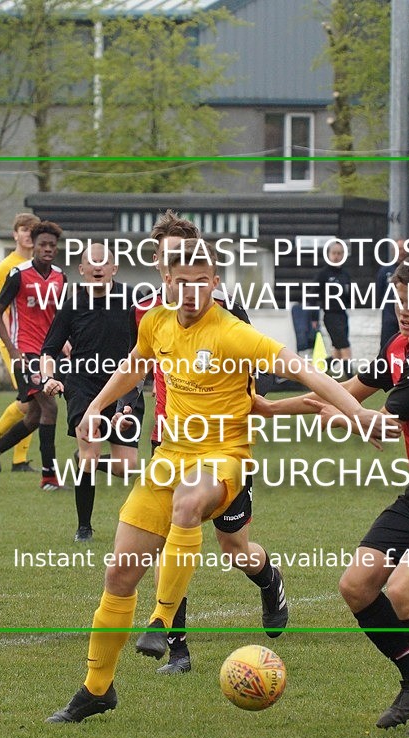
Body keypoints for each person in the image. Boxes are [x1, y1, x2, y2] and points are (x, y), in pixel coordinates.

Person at [46, 239, 398, 723]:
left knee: (190, 505)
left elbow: (306, 372)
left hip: (224, 458)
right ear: (167, 283)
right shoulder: (155, 321)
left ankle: (162, 619)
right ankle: (96, 689)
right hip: (169, 457)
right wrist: (95, 406)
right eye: (181, 282)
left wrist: (358, 412)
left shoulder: (233, 333)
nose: (191, 292)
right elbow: (135, 365)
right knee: (119, 574)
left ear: (215, 283)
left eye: (201, 282)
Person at [255, 254, 409, 736]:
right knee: (356, 585)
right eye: (400, 299)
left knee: (404, 589)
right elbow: (342, 393)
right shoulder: (400, 346)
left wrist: (347, 419)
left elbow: (385, 425)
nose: (405, 310)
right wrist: (268, 408)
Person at [118, 210, 287, 676]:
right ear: (159, 263)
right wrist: (124, 405)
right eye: (166, 256)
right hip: (168, 440)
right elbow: (136, 364)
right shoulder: (147, 310)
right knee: (168, 537)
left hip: (221, 448)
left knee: (234, 548)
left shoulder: (224, 310)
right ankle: (176, 647)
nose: (173, 264)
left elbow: (255, 371)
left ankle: (268, 579)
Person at [40, 243, 144, 542]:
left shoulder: (133, 301)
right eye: (91, 262)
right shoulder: (72, 304)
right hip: (83, 386)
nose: (98, 267)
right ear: (82, 269)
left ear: (114, 268)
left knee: (126, 466)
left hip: (123, 385)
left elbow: (148, 347)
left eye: (104, 262)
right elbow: (49, 350)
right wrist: (48, 377)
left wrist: (134, 394)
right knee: (90, 453)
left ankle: (87, 458)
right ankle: (84, 528)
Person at [0, 221, 67, 490]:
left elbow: (62, 316)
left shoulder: (60, 277)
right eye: (42, 244)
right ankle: (49, 478)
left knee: (34, 416)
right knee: (50, 408)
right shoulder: (18, 274)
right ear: (34, 246)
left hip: (49, 354)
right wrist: (13, 350)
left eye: (52, 245)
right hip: (26, 353)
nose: (47, 249)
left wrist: (66, 342)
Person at [0, 213, 41, 472]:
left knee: (33, 401)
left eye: (32, 230)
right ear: (15, 234)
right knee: (29, 401)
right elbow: (1, 308)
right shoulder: (7, 266)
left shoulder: (38, 266)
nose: (28, 234)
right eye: (24, 229)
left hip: (34, 341)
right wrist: (13, 343)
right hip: (14, 343)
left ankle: (16, 458)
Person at [316, 240, 352, 375]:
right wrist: (314, 317)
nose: (337, 256)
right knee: (346, 349)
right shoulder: (323, 274)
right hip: (331, 316)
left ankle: (315, 374)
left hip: (343, 315)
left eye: (340, 253)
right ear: (329, 254)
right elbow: (313, 294)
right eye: (334, 253)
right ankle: (351, 381)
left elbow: (349, 294)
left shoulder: (345, 274)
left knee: (337, 354)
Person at [375, 238, 407, 347]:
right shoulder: (385, 271)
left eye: (403, 249)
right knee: (387, 346)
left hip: (407, 316)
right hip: (389, 317)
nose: (401, 252)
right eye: (399, 249)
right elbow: (379, 292)